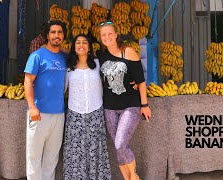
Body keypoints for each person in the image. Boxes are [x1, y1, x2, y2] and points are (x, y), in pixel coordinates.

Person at [97, 20, 152, 180]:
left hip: (130, 106)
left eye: (109, 33)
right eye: (103, 35)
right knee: (117, 147)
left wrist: (144, 104)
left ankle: (134, 176)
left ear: (116, 35)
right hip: (109, 107)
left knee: (120, 143)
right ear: (101, 38)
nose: (107, 37)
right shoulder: (100, 56)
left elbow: (140, 81)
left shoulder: (128, 52)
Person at [63, 34, 112, 179]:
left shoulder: (98, 65)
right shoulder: (69, 68)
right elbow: (61, 89)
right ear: (74, 47)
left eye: (84, 42)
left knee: (96, 150)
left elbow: (112, 80)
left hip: (95, 113)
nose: (81, 45)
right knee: (75, 151)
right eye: (78, 42)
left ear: (89, 47)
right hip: (75, 115)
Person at [24, 20, 67, 180]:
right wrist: (32, 107)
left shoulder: (64, 57)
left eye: (60, 32)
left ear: (63, 35)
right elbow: (28, 81)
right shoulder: (37, 56)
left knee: (52, 158)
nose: (57, 35)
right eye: (53, 32)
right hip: (38, 113)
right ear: (47, 35)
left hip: (59, 114)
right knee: (34, 157)